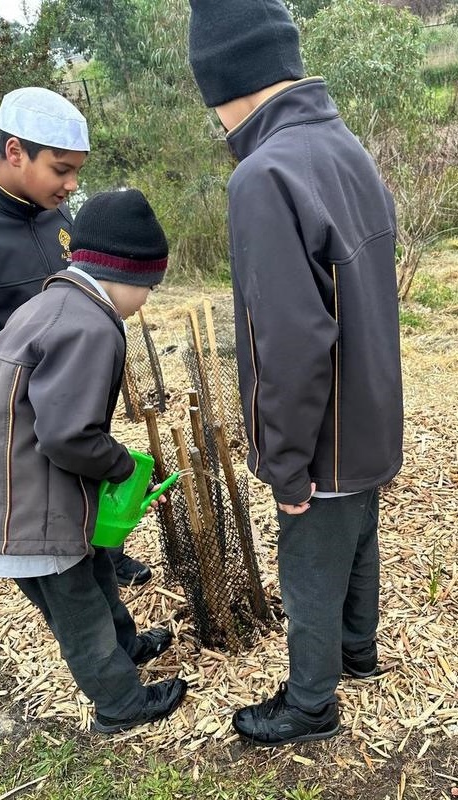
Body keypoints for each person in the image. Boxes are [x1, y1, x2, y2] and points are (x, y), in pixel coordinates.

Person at [188, 0, 403, 746]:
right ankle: (357, 654)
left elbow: (286, 340)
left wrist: (283, 463)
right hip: (370, 411)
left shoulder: (263, 174)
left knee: (310, 564)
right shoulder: (342, 146)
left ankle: (311, 705)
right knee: (357, 539)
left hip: (323, 431)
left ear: (219, 82)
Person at [0, 189, 187, 733]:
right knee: (79, 613)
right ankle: (120, 705)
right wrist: (122, 466)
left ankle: (127, 645)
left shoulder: (47, 304)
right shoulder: (89, 326)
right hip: (28, 514)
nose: (146, 302)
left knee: (96, 570)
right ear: (123, 273)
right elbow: (68, 436)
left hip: (8, 496)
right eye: (148, 288)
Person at [0, 86, 150, 587]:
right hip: (7, 403)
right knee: (37, 498)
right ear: (14, 152)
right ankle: (72, 591)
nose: (71, 184)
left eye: (77, 172)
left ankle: (104, 557)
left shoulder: (55, 214)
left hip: (70, 379)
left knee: (82, 470)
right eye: (61, 169)